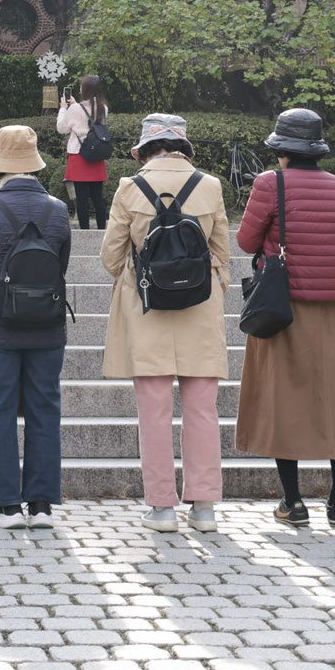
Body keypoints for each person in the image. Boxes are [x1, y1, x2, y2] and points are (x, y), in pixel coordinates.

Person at [234, 107, 335, 529]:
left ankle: (293, 503)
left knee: (284, 399)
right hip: (334, 305)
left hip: (284, 305)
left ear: (281, 150)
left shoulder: (268, 183)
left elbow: (245, 242)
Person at [100, 114, 232, 533]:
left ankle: (162, 508)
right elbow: (223, 252)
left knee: (153, 412)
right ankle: (205, 507)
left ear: (145, 149)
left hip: (147, 307)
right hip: (200, 307)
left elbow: (110, 257)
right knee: (202, 410)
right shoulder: (209, 186)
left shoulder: (129, 188)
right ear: (182, 146)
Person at [0, 124, 71, 529]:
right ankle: (41, 504)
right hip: (47, 326)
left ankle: (6, 505)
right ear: (35, 163)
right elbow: (59, 266)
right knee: (46, 408)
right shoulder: (58, 210)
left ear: (0, 165)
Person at [57, 75, 111, 229]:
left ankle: (84, 229)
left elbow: (62, 128)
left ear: (84, 89)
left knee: (81, 197)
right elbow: (90, 122)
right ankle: (101, 228)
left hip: (79, 154)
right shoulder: (103, 108)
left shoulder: (74, 109)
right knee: (97, 196)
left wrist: (63, 109)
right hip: (96, 154)